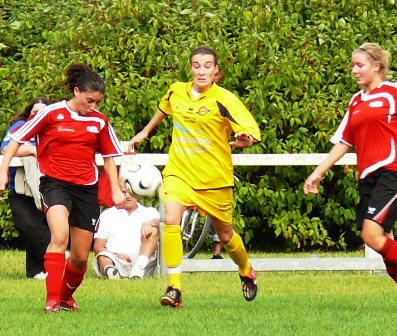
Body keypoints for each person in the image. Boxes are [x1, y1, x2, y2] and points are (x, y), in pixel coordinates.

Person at [304, 42, 397, 312]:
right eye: (352, 66)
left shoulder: (393, 92)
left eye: (360, 65)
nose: (354, 71)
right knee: (385, 245)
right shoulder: (356, 101)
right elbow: (343, 141)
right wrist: (317, 173)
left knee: (372, 235)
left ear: (377, 67)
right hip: (368, 178)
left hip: (392, 172)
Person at [128, 45, 261, 308]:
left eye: (207, 66)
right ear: (191, 68)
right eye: (197, 65)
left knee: (226, 236)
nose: (201, 71)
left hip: (214, 180)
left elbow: (251, 132)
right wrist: (144, 132)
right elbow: (164, 108)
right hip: (179, 172)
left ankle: (246, 269)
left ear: (216, 71)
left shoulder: (224, 99)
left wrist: (244, 140)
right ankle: (174, 287)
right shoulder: (177, 90)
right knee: (171, 219)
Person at [0, 63, 125, 314]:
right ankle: (52, 301)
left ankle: (66, 296)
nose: (93, 107)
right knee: (59, 237)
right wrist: (2, 172)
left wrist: (115, 188)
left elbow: (110, 157)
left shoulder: (99, 122)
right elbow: (15, 141)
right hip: (54, 183)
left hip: (86, 189)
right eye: (89, 100)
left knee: (80, 257)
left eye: (98, 102)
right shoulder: (51, 113)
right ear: (76, 91)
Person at [1, 97, 51, 279]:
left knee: (42, 227)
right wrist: (31, 150)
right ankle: (58, 261)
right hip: (20, 188)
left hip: (48, 187)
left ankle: (36, 272)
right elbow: (6, 149)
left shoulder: (54, 129)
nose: (38, 116)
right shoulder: (21, 126)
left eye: (42, 113)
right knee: (29, 226)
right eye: (34, 112)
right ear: (29, 114)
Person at [93, 177, 160, 279]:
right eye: (123, 192)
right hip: (117, 260)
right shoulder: (107, 215)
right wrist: (115, 255)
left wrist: (149, 223)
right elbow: (98, 246)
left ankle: (138, 269)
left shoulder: (150, 212)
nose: (128, 196)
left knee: (153, 229)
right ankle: (113, 273)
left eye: (131, 192)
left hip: (143, 262)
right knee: (103, 257)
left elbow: (163, 223)